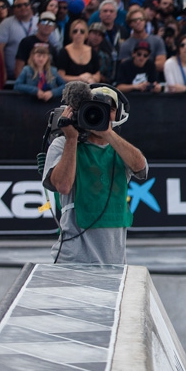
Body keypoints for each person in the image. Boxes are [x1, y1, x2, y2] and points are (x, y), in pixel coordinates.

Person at [44, 83, 148, 264]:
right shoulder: (63, 144)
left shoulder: (119, 148)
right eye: (95, 107)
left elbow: (141, 169)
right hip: (72, 260)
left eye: (110, 109)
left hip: (115, 261)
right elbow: (63, 185)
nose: (102, 113)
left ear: (119, 115)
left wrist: (107, 133)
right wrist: (71, 138)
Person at [0, 0, 39, 81]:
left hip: (38, 74)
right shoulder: (6, 24)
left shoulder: (40, 22)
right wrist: (2, 71)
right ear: (13, 9)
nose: (23, 7)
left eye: (26, 4)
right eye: (19, 6)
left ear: (30, 6)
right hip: (12, 75)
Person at [118, 3, 167, 72]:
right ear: (130, 24)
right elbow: (125, 68)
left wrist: (139, 64)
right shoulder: (125, 45)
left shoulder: (157, 40)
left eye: (141, 19)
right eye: (134, 20)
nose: (138, 22)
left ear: (145, 21)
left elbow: (161, 65)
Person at [15, 12, 61, 78]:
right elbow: (18, 67)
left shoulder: (53, 48)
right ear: (37, 25)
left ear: (54, 28)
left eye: (51, 23)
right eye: (44, 22)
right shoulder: (26, 42)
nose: (47, 25)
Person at [57, 19, 102, 84]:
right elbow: (61, 76)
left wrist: (89, 77)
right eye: (75, 31)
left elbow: (97, 75)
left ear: (86, 34)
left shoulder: (92, 52)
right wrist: (79, 78)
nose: (78, 33)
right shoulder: (64, 52)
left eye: (82, 31)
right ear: (71, 33)